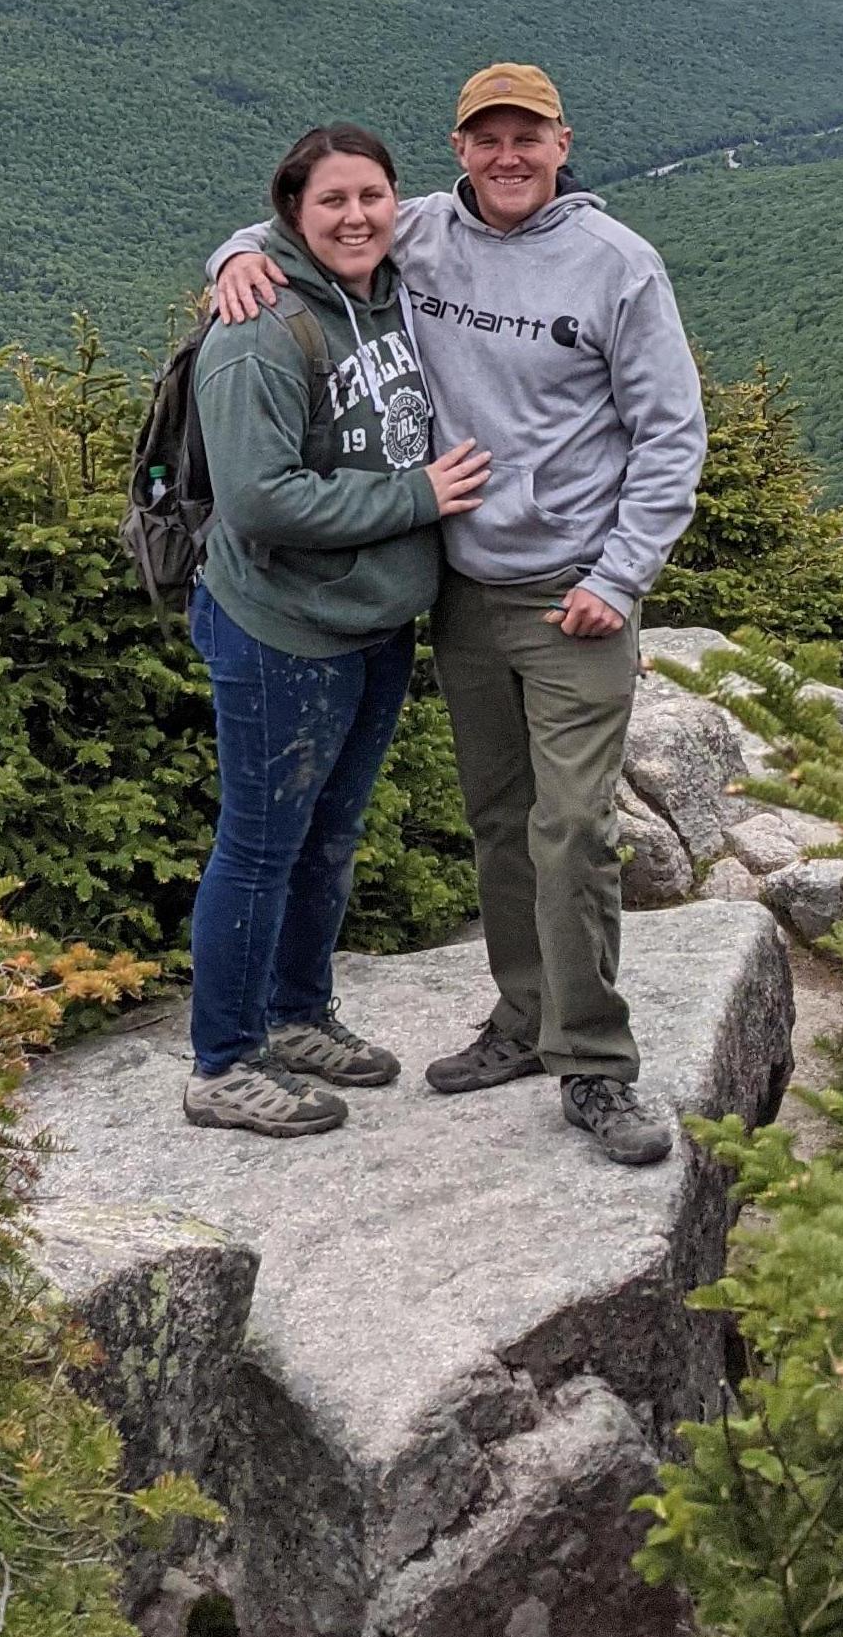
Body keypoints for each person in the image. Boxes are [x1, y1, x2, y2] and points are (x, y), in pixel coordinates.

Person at [211, 64, 705, 1168]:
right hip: (465, 592)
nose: (508, 157)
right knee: (500, 823)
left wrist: (621, 578)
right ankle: (521, 1022)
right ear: (460, 148)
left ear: (563, 144)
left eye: (527, 138)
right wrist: (231, 260)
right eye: (487, 139)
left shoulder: (619, 266)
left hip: (575, 596)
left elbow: (673, 435)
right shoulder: (420, 230)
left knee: (572, 829)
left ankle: (596, 1067)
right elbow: (298, 221)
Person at [182, 124, 493, 1137]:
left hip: (374, 624)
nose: (357, 217)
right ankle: (224, 1062)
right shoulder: (261, 332)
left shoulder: (391, 283)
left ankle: (301, 1015)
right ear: (292, 216)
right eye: (332, 203)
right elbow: (260, 501)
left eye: (373, 197)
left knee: (329, 839)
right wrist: (415, 500)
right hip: (283, 628)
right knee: (262, 846)